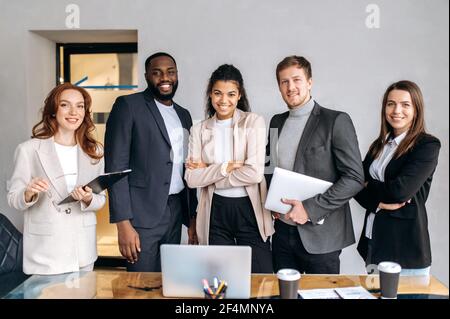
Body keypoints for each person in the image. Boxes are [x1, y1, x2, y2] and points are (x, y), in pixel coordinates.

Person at [266, 56, 364, 274]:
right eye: (284, 82)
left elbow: (354, 178)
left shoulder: (336, 121)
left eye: (297, 79)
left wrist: (309, 210)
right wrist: (270, 201)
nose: (291, 87)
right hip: (282, 233)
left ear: (309, 82)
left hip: (321, 238)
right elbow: (269, 167)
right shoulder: (276, 122)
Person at [105, 52, 198, 272]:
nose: (165, 78)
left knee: (168, 281)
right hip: (140, 214)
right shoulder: (128, 106)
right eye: (157, 73)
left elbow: (189, 167)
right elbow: (115, 168)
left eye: (170, 72)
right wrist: (123, 223)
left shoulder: (184, 115)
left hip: (176, 210)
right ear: (147, 76)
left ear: (177, 75)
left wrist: (192, 216)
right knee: (140, 287)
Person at [7, 83, 105, 275]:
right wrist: (28, 193)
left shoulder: (95, 151)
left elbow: (101, 199)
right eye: (65, 105)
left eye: (80, 106)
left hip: (83, 250)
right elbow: (13, 198)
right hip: (45, 251)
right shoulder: (29, 150)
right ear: (53, 110)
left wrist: (87, 198)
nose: (73, 112)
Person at [185, 64, 274, 273]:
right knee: (220, 278)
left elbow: (254, 173)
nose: (223, 100)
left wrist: (209, 171)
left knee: (261, 278)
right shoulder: (198, 129)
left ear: (239, 95)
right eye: (218, 93)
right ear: (210, 94)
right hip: (215, 210)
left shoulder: (253, 122)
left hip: (250, 210)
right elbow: (191, 178)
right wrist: (225, 167)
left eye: (231, 94)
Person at [354, 80, 441, 276]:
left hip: (405, 249)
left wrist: (369, 186)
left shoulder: (427, 146)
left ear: (416, 110)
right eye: (391, 103)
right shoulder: (379, 145)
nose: (396, 110)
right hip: (373, 242)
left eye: (405, 104)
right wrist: (377, 201)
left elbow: (400, 191)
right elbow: (354, 184)